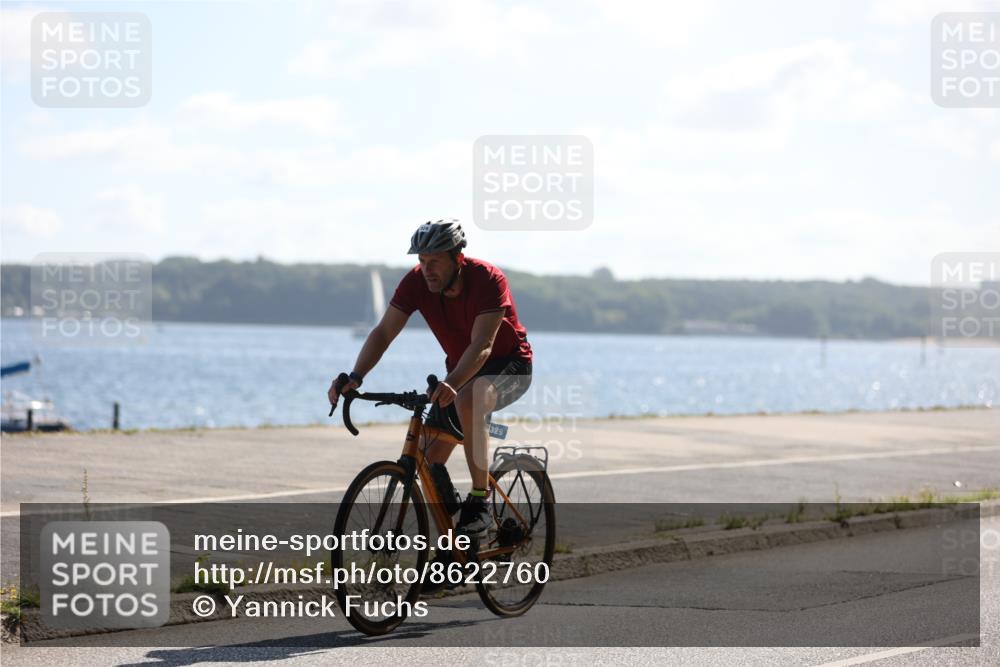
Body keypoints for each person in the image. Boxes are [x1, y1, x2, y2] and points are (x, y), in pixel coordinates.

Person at [328, 219, 533, 540]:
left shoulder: (488, 280)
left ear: (458, 258)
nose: (427, 269)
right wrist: (356, 376)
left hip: (509, 367)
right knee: (427, 459)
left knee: (470, 398)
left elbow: (483, 345)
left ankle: (480, 502)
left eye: (435, 261)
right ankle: (454, 550)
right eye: (422, 260)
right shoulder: (416, 282)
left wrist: (452, 382)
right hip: (459, 375)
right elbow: (384, 332)